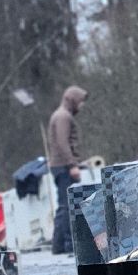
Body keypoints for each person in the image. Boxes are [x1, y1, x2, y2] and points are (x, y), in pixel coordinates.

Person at [46, 86, 87, 254]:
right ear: (73, 100)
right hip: (63, 166)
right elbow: (63, 142)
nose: (82, 105)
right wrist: (72, 164)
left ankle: (58, 245)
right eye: (81, 101)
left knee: (63, 205)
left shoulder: (60, 115)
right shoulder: (63, 116)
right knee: (67, 205)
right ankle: (67, 244)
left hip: (59, 165)